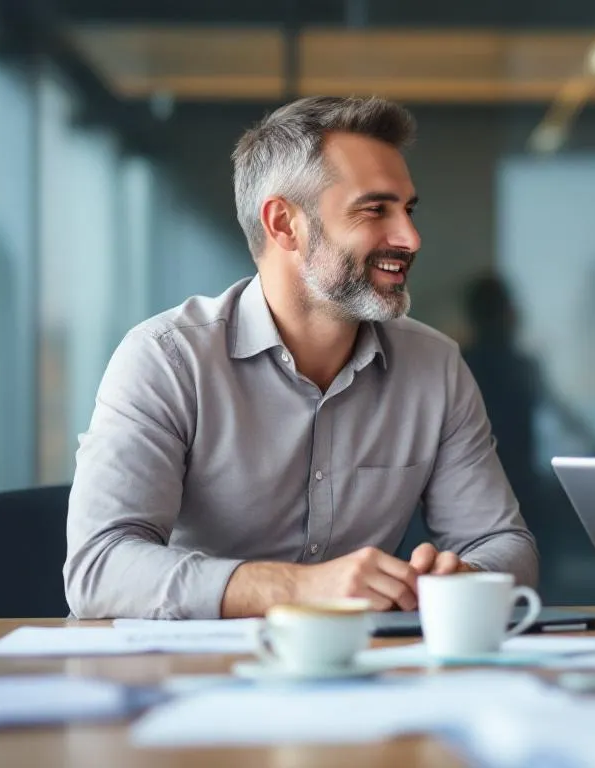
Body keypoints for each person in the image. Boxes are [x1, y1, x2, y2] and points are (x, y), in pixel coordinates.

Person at [64, 96, 538, 619]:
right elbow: (98, 568)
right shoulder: (166, 360)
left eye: (408, 210)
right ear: (285, 224)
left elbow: (504, 545)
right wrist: (299, 588)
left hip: (368, 679)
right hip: (198, 677)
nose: (410, 238)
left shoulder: (435, 366)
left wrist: (460, 579)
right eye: (375, 209)